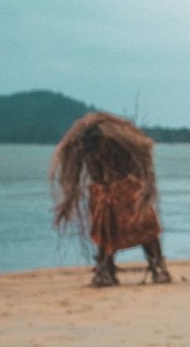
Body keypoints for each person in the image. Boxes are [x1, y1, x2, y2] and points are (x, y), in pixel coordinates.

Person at [50, 112, 172, 286]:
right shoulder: (86, 149)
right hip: (105, 192)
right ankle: (106, 270)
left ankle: (156, 267)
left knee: (145, 229)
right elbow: (77, 173)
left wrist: (138, 187)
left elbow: (142, 154)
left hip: (128, 190)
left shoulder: (119, 144)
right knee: (106, 232)